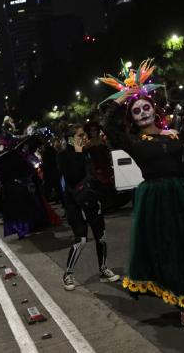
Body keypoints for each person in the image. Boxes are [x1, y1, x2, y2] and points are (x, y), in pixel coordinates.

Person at [101, 59, 184, 329]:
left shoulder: (173, 135)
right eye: (136, 111)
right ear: (133, 118)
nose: (142, 113)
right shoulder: (134, 142)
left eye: (146, 107)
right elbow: (108, 126)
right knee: (172, 252)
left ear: (155, 109)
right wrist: (121, 100)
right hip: (156, 201)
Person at [58, 125, 120, 291]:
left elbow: (96, 175)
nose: (84, 136)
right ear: (71, 139)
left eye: (84, 133)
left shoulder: (88, 153)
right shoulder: (63, 156)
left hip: (92, 200)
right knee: (81, 240)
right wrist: (78, 154)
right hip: (75, 203)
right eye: (80, 134)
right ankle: (68, 274)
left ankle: (103, 269)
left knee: (101, 237)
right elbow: (72, 177)